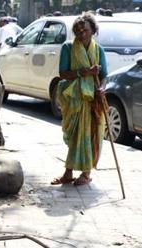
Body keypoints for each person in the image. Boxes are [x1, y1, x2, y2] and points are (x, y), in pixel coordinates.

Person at [51, 13, 108, 186]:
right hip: (73, 99)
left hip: (91, 100)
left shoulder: (98, 50)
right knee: (75, 136)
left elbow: (104, 75)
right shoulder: (68, 48)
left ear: (93, 31)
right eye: (77, 31)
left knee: (88, 136)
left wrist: (101, 88)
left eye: (85, 30)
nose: (81, 33)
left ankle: (86, 173)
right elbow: (62, 73)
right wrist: (82, 72)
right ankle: (68, 173)